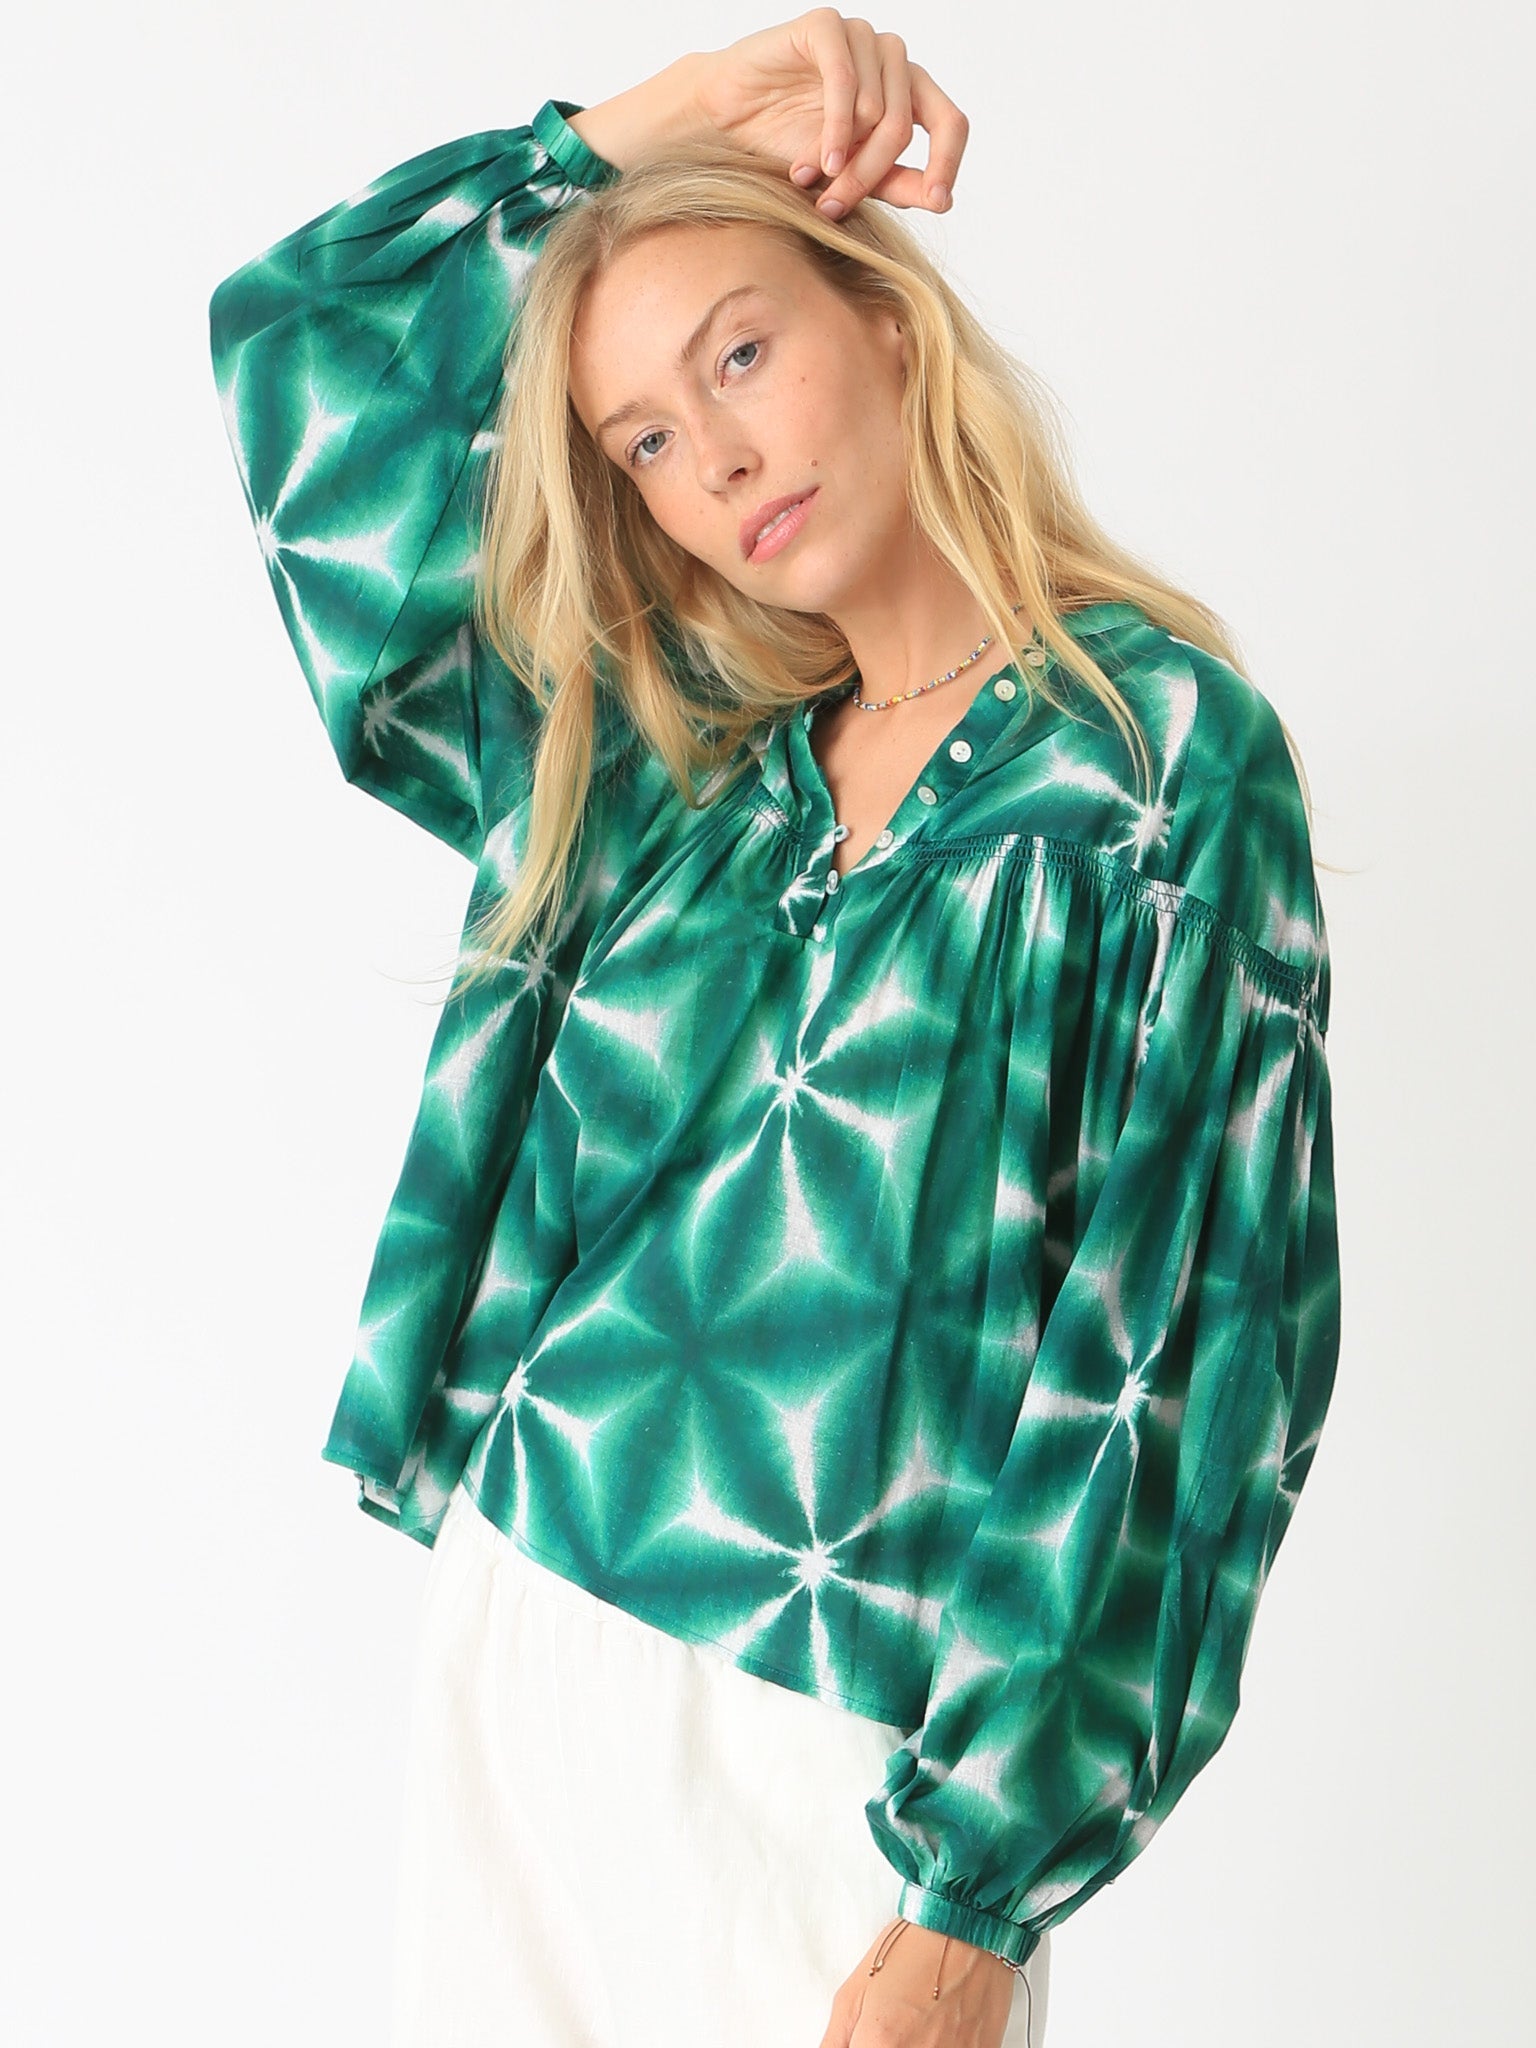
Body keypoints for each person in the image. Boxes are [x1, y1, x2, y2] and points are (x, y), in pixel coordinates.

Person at [208, 13, 1342, 2047]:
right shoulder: (670, 760)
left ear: (885, 321)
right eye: (642, 437)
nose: (714, 458)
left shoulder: (1156, 760)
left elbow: (1186, 1354)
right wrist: (643, 130)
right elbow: (297, 349)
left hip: (850, 1735)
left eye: (739, 353)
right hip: (532, 1637)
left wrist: (976, 1902)